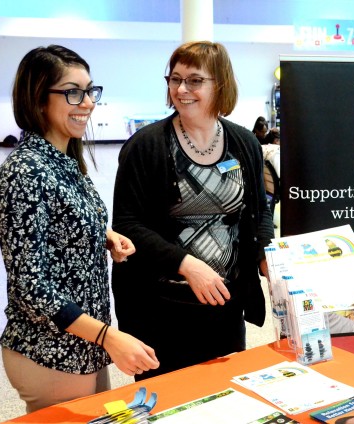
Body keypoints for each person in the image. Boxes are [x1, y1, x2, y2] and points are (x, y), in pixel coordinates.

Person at [0, 45, 159, 413]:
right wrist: (109, 337)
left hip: (83, 345)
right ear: (38, 100)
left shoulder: (65, 161)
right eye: (73, 92)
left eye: (90, 91)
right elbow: (31, 289)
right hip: (51, 353)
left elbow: (62, 224)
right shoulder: (25, 173)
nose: (87, 102)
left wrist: (104, 235)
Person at [111, 40, 275, 381]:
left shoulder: (243, 143)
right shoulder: (147, 146)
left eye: (194, 80)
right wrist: (187, 266)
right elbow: (127, 224)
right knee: (169, 404)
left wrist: (265, 258)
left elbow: (259, 210)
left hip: (224, 304)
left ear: (221, 85)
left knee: (226, 396)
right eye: (174, 79)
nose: (181, 89)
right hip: (162, 306)